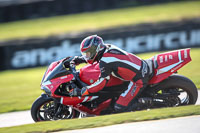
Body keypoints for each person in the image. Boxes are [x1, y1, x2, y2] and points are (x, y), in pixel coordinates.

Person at [68, 35, 151, 113]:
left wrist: (83, 91)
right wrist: (81, 59)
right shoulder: (106, 47)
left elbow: (100, 84)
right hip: (139, 67)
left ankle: (144, 103)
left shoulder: (106, 62)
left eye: (88, 53)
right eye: (86, 54)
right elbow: (95, 56)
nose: (87, 56)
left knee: (119, 107)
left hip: (138, 79)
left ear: (96, 49)